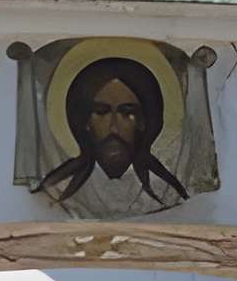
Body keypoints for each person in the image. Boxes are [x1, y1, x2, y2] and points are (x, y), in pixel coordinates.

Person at [34, 54, 188, 213]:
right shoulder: (57, 190)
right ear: (85, 120)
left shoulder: (166, 192)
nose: (113, 128)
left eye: (127, 113)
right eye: (101, 112)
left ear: (143, 121)